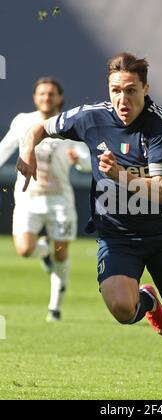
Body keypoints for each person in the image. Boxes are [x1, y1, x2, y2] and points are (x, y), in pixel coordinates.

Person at [16, 53, 162, 400]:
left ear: (146, 89)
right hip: (117, 236)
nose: (123, 99)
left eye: (131, 90)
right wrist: (28, 151)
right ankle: (147, 303)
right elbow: (39, 128)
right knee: (122, 309)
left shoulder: (160, 124)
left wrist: (118, 175)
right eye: (116, 90)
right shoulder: (90, 117)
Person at [0, 77, 91, 322]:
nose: (46, 98)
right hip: (28, 197)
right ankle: (44, 253)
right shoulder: (23, 121)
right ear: (34, 97)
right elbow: (6, 147)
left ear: (60, 98)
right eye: (42, 93)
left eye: (51, 94)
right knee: (24, 249)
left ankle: (55, 309)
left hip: (59, 200)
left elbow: (87, 161)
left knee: (62, 254)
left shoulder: (69, 125)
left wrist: (79, 160)